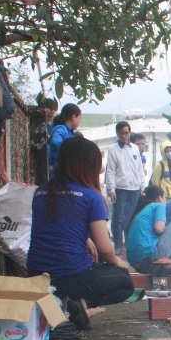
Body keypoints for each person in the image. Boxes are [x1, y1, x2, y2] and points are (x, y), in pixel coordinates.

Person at [27, 136, 133, 329]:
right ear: (88, 166)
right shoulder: (91, 196)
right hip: (70, 276)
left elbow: (57, 228)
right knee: (125, 282)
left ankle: (60, 302)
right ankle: (75, 306)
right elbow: (104, 248)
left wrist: (85, 239)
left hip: (36, 275)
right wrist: (118, 261)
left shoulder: (42, 192)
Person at [125, 184, 171, 274]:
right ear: (160, 197)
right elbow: (159, 229)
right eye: (165, 198)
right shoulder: (158, 206)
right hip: (150, 258)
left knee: (169, 241)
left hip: (137, 263)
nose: (165, 201)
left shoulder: (142, 211)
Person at [104, 121, 146, 254]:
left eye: (126, 133)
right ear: (117, 133)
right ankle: (117, 245)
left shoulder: (134, 149)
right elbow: (110, 170)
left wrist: (142, 186)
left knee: (131, 217)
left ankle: (128, 245)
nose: (124, 136)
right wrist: (111, 188)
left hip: (134, 188)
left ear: (130, 133)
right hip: (120, 188)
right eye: (122, 133)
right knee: (118, 218)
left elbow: (139, 169)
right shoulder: (113, 150)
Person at [46, 102, 80, 179]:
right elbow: (56, 141)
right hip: (57, 172)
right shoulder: (61, 129)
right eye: (79, 118)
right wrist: (68, 153)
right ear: (73, 117)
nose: (79, 121)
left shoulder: (69, 132)